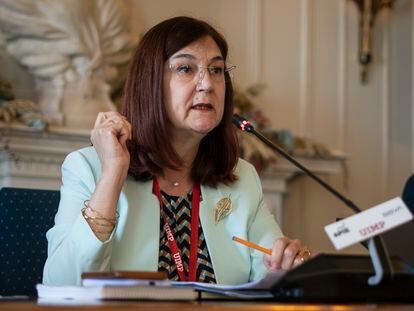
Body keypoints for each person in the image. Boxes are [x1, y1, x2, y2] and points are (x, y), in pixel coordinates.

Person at [43, 16, 311, 286]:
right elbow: (61, 283)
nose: (207, 84)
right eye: (186, 68)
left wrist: (285, 267)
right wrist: (112, 174)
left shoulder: (242, 179)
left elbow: (270, 273)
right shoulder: (88, 168)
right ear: (150, 84)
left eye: (216, 70)